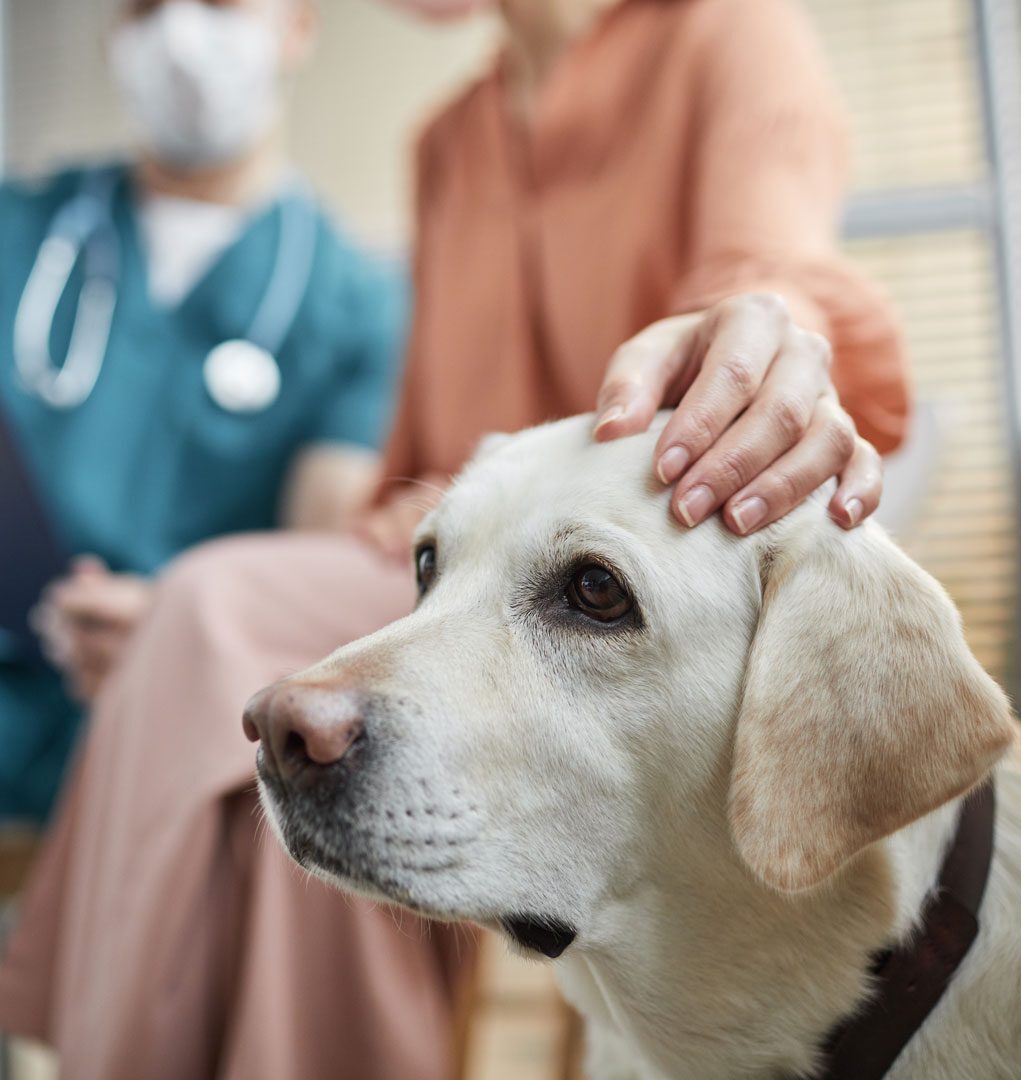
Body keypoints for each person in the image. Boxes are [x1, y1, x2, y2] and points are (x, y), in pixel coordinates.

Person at [0, 0, 908, 1076]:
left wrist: (762, 332)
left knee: (224, 624)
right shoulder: (447, 142)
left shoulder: (726, 35)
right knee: (241, 654)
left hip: (629, 583)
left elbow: (769, 268)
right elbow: (420, 475)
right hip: (445, 569)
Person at [0, 0, 404, 822]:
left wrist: (179, 632)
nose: (179, 35)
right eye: (146, 6)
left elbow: (306, 580)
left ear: (297, 27)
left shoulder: (357, 304)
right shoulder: (20, 229)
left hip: (180, 739)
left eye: (220, 2)